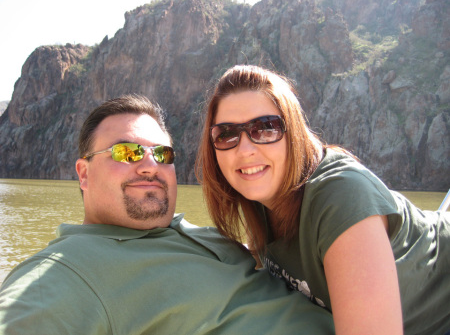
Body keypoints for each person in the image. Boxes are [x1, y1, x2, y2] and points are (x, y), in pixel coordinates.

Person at [0, 95, 334, 334]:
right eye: (127, 152)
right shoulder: (67, 271)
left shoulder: (196, 233)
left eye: (163, 154)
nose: (149, 166)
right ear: (83, 174)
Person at [196, 65, 450, 335]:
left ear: (292, 131)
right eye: (226, 134)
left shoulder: (341, 199)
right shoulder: (261, 195)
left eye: (265, 128)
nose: (245, 149)